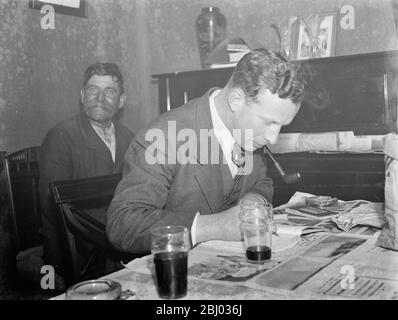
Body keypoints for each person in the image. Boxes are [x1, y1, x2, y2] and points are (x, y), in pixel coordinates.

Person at [106, 49, 305, 254]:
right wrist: (211, 226)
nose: (273, 137)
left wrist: (253, 200)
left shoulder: (249, 133)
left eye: (282, 125)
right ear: (236, 100)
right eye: (269, 122)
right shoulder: (165, 136)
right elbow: (123, 224)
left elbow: (262, 182)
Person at [39, 62, 134, 281]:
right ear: (82, 95)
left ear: (121, 101)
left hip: (114, 239)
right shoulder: (61, 137)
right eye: (93, 90)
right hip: (74, 246)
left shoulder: (129, 138)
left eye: (109, 91)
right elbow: (53, 207)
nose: (99, 98)